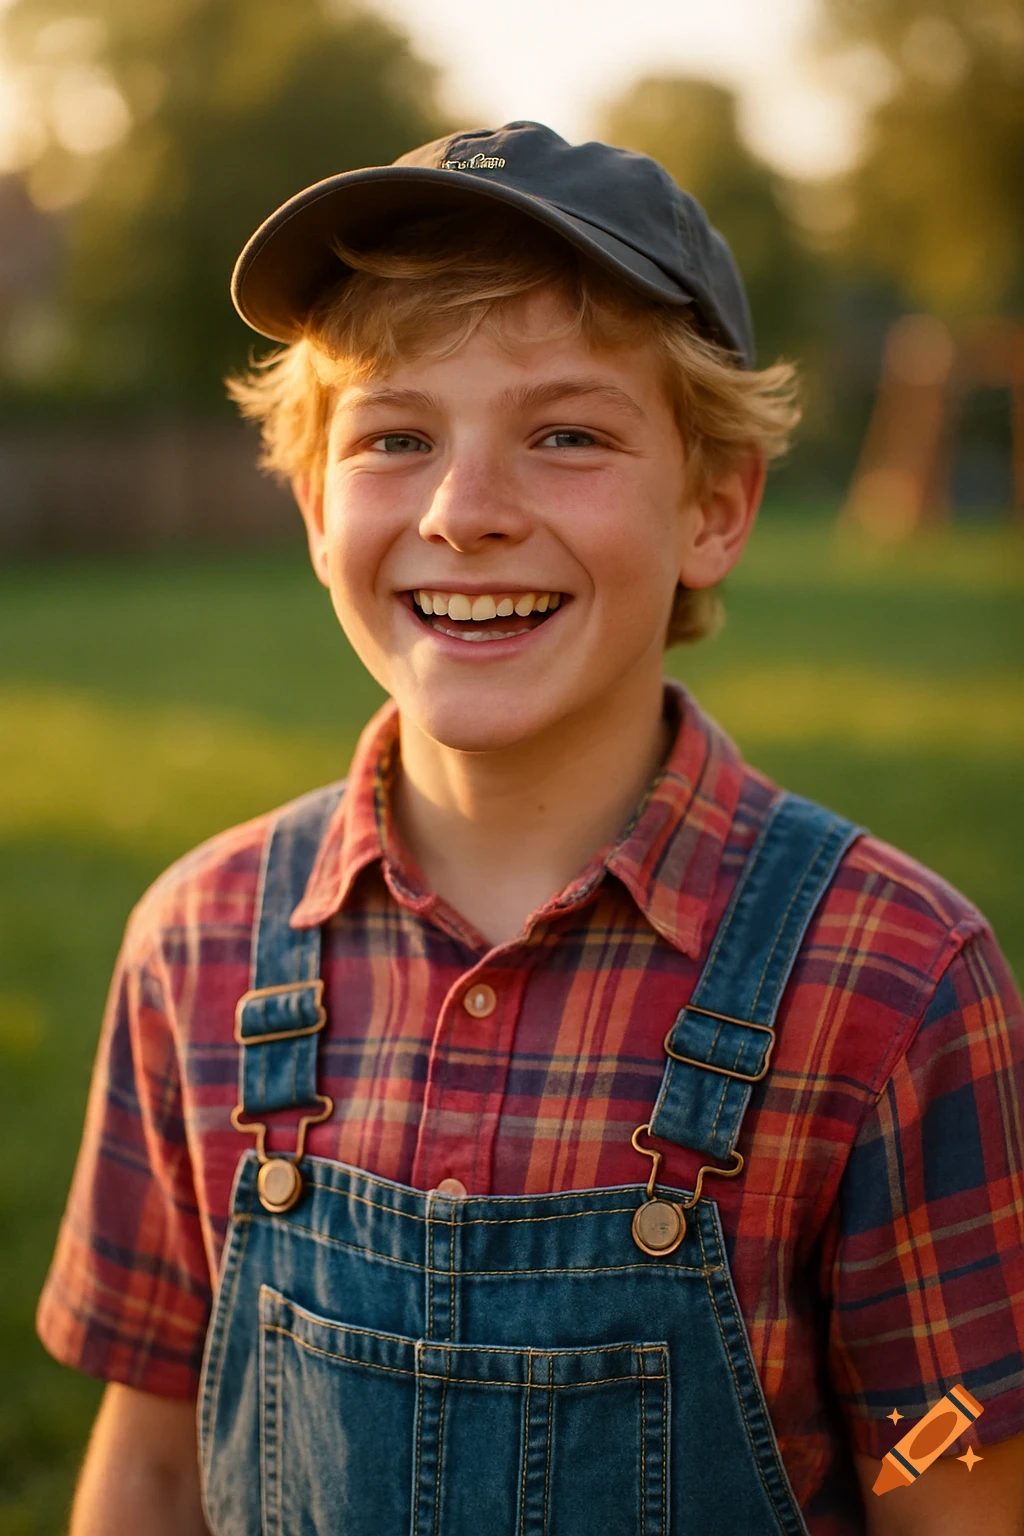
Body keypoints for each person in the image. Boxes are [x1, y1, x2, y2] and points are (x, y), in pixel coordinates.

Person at [37, 121, 1024, 1536]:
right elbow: (148, 1463)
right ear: (315, 508)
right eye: (395, 438)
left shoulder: (896, 984)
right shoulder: (196, 948)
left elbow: (951, 1482)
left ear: (714, 508)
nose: (466, 512)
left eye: (566, 435)